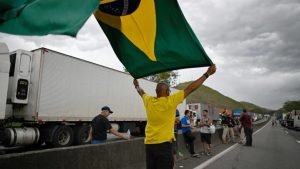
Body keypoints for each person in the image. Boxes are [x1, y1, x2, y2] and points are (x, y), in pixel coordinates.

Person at [133, 64, 216, 169]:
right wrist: (207, 74)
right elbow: (190, 88)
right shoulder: (170, 101)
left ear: (156, 92)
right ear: (167, 92)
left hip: (149, 145)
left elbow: (141, 92)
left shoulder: (149, 101)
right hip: (164, 146)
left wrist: (136, 85)